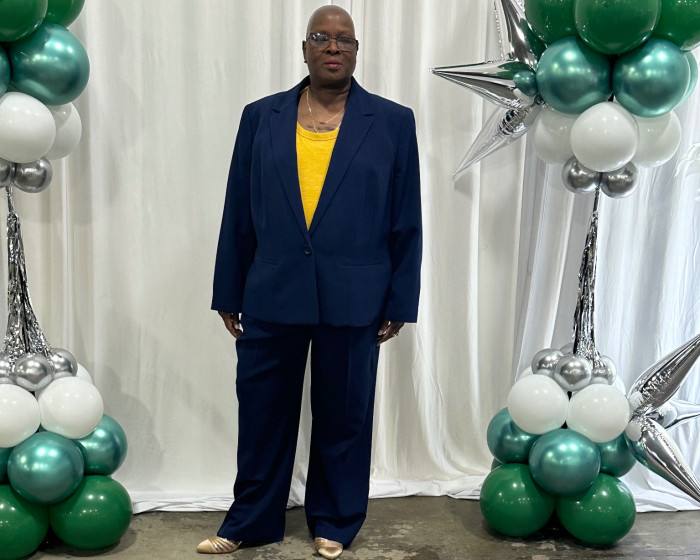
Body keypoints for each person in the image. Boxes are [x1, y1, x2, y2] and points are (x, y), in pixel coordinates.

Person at [198, 5, 422, 558]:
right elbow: (238, 209)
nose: (333, 47)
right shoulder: (261, 116)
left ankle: (335, 521)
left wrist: (400, 300)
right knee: (261, 413)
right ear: (304, 48)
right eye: (321, 37)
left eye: (345, 39)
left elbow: (405, 217)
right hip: (271, 290)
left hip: (356, 296)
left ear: (356, 51)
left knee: (345, 416)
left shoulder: (392, 122)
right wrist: (228, 289)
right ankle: (251, 519)